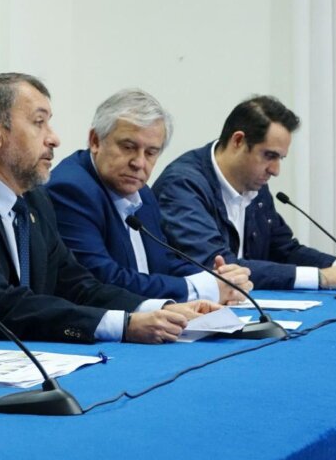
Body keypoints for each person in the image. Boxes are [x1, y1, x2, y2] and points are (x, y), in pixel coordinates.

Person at [0, 73, 219, 345]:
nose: (54, 138)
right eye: (39, 122)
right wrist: (123, 326)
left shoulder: (34, 200)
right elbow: (0, 306)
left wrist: (156, 309)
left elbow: (76, 284)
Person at [152, 95, 336, 290]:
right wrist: (321, 278)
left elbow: (284, 250)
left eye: (280, 158)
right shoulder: (182, 185)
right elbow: (220, 267)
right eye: (269, 156)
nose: (275, 170)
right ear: (239, 141)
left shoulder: (254, 184)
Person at [46, 89, 252, 304]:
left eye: (151, 152)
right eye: (128, 147)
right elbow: (103, 279)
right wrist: (202, 288)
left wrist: (214, 278)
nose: (139, 163)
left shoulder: (140, 190)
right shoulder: (70, 190)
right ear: (95, 141)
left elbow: (163, 261)